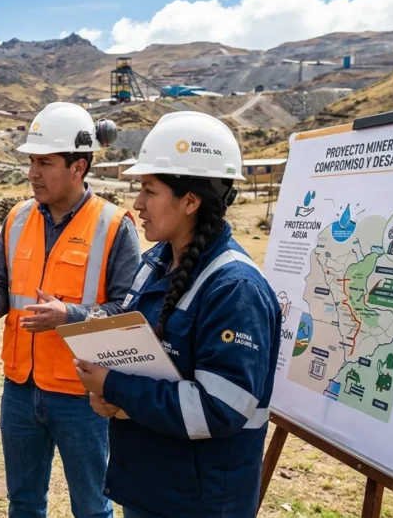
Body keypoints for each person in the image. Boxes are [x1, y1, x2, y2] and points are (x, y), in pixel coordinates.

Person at [74, 111, 281, 518]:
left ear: (190, 200)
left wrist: (115, 387)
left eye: (149, 190)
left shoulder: (235, 289)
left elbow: (219, 408)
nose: (137, 203)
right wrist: (112, 400)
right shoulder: (155, 263)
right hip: (151, 488)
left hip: (198, 502)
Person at [0, 102, 139, 518]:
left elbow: (128, 316)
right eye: (31, 161)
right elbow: (2, 289)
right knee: (23, 503)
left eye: (45, 162)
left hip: (84, 396)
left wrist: (72, 317)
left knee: (92, 507)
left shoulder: (115, 226)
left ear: (79, 166)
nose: (33, 173)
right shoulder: (15, 218)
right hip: (20, 390)